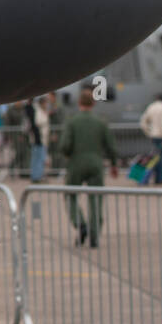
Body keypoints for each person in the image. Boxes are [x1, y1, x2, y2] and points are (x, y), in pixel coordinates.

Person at [59, 91, 117, 247]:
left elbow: (64, 146)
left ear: (79, 104)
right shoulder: (100, 122)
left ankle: (80, 223)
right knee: (96, 199)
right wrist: (114, 165)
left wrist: (68, 155)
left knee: (70, 195)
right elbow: (111, 147)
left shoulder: (72, 122)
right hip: (96, 164)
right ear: (93, 104)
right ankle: (94, 235)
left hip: (76, 163)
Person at [139, 93, 162, 185]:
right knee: (160, 158)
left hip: (154, 136)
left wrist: (149, 132)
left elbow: (143, 122)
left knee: (154, 157)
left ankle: (146, 178)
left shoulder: (151, 106)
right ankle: (159, 179)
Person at [29, 96, 49, 183]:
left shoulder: (41, 111)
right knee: (38, 158)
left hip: (42, 139)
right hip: (38, 139)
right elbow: (38, 122)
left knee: (40, 158)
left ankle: (38, 176)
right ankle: (36, 176)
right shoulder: (38, 111)